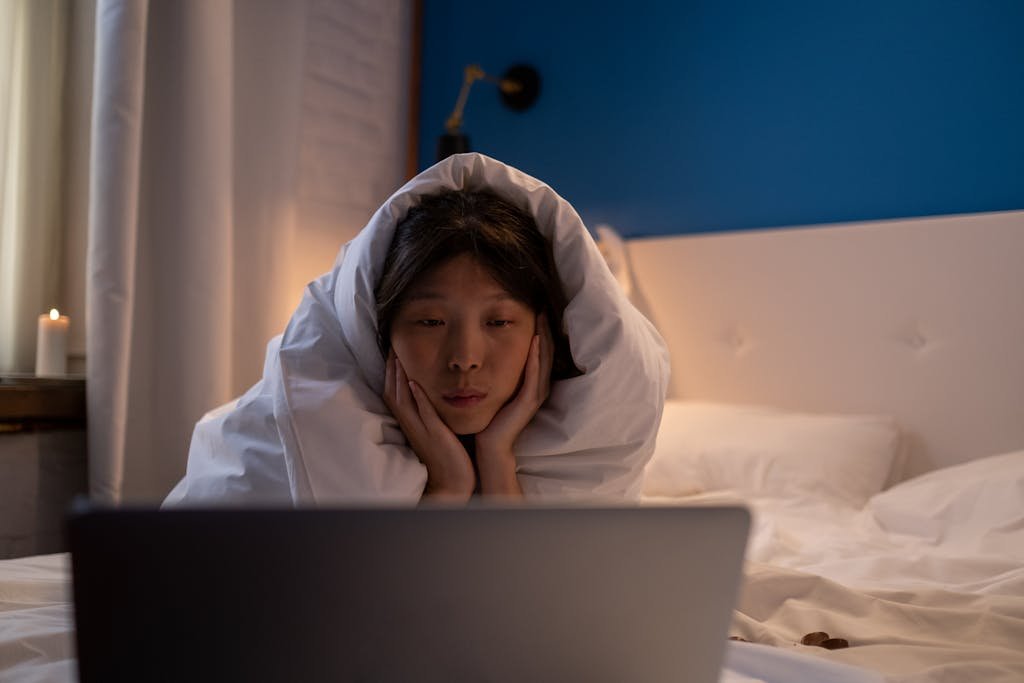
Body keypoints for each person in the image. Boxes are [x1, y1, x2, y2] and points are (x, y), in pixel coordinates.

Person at [164, 153, 669, 506]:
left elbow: (528, 603)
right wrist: (448, 487)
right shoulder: (307, 417)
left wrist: (496, 461)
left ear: (545, 331)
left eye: (498, 321)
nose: (465, 357)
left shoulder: (586, 439)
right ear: (379, 329)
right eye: (430, 322)